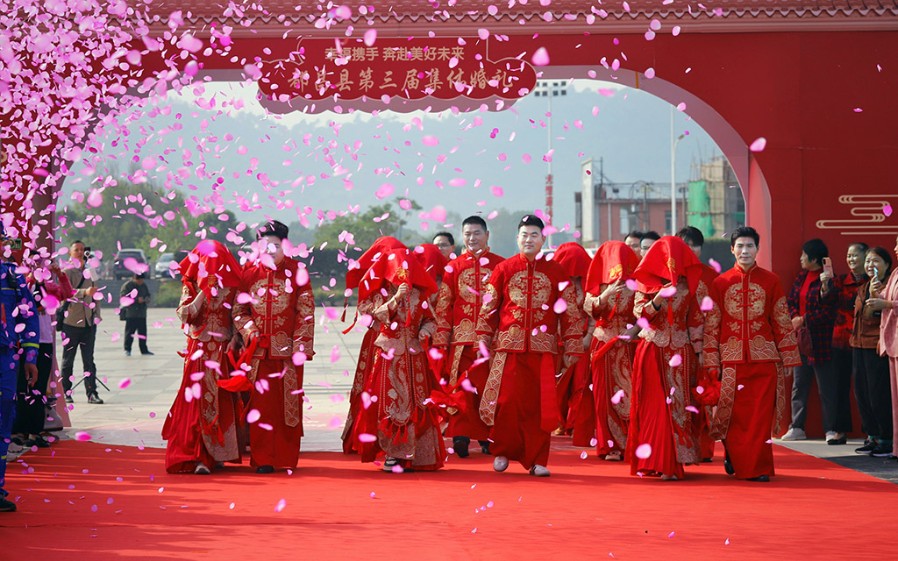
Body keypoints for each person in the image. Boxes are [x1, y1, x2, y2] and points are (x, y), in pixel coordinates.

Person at [476, 215, 585, 477]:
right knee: (507, 401)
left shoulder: (556, 272)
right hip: (508, 347)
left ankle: (537, 459)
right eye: (524, 235)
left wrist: (573, 346)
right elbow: (489, 308)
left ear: (543, 239)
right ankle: (503, 451)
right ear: (517, 238)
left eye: (534, 235)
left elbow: (569, 311)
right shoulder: (504, 269)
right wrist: (482, 338)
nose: (529, 239)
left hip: (542, 349)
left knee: (539, 405)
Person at [703, 227, 801, 481]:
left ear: (757, 249)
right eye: (740, 246)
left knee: (759, 418)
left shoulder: (771, 281)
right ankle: (735, 455)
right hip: (731, 361)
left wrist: (788, 355)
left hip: (765, 359)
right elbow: (712, 325)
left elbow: (781, 319)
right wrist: (712, 361)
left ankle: (757, 468)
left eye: (750, 246)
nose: (745, 251)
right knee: (734, 416)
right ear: (732, 249)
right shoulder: (720, 283)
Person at [351, 247, 445, 472]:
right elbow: (375, 316)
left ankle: (418, 454)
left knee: (418, 402)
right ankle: (392, 453)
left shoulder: (419, 294)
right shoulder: (381, 292)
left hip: (414, 356)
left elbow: (432, 320)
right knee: (389, 401)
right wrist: (396, 298)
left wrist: (425, 331)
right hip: (388, 355)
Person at [232, 220, 315, 473]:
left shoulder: (297, 271)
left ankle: (285, 457)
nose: (270, 251)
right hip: (258, 353)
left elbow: (305, 312)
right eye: (265, 246)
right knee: (260, 407)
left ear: (285, 246)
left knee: (286, 407)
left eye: (275, 246)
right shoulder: (249, 273)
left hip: (287, 353)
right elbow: (239, 310)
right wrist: (250, 331)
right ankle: (263, 459)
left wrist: (300, 346)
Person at [628, 235, 706, 481]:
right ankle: (657, 462)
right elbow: (640, 315)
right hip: (652, 349)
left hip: (681, 351)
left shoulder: (691, 284)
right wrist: (659, 297)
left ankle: (673, 462)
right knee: (655, 408)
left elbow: (695, 320)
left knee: (678, 405)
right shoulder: (645, 282)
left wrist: (700, 351)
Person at [163, 240, 242, 474]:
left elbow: (237, 315)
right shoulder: (191, 284)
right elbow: (184, 315)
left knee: (221, 402)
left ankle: (217, 454)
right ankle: (197, 455)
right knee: (196, 405)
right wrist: (202, 293)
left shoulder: (233, 285)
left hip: (222, 353)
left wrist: (237, 337)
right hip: (199, 353)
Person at [433, 215, 504, 458]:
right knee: (462, 388)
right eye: (467, 234)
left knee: (488, 388)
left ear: (486, 235)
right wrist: (441, 341)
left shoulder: (500, 265)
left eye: (477, 233)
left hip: (491, 341)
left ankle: (487, 436)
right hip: (461, 340)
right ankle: (461, 434)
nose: (472, 238)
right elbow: (444, 305)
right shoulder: (453, 267)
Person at [340, 236, 407, 455]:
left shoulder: (408, 282)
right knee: (371, 386)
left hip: (403, 343)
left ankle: (396, 438)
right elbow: (366, 310)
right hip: (376, 342)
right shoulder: (372, 282)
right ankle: (365, 436)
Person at [583, 240, 640, 461]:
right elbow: (589, 309)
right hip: (603, 344)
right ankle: (609, 445)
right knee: (603, 396)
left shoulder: (636, 284)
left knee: (630, 393)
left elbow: (643, 314)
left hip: (627, 345)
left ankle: (629, 442)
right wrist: (605, 294)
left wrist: (633, 331)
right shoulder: (597, 284)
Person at [782, 238, 840, 443]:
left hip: (821, 341)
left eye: (804, 255)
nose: (800, 258)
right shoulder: (801, 277)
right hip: (801, 340)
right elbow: (790, 301)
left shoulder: (829, 280)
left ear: (814, 259)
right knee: (799, 385)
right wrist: (795, 318)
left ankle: (831, 429)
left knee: (826, 388)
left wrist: (804, 319)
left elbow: (829, 311)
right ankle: (797, 426)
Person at [0, 229, 40, 512]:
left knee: (4, 418)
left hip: (6, 357)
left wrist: (30, 356)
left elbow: (29, 315)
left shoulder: (13, 277)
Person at [12, 261, 71, 450]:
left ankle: (35, 431)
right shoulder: (21, 284)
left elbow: (67, 294)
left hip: (44, 341)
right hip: (24, 342)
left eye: (40, 263)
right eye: (33, 263)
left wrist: (60, 274)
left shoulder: (49, 287)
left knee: (38, 388)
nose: (37, 266)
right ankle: (19, 431)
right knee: (22, 387)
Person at [676, 226, 719, 462]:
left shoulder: (711, 276)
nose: (691, 249)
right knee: (681, 398)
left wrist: (707, 347)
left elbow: (716, 314)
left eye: (695, 245)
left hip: (706, 345)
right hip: (677, 346)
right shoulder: (671, 276)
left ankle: (704, 449)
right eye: (685, 245)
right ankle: (681, 447)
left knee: (705, 396)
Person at [851, 247, 894, 457]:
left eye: (876, 261)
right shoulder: (864, 286)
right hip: (858, 344)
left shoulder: (888, 287)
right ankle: (872, 435)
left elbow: (874, 315)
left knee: (879, 394)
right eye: (868, 261)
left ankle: (886, 439)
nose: (870, 265)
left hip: (876, 345)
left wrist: (878, 295)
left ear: (887, 265)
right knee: (862, 393)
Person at [550, 242, 593, 446]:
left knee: (580, 384)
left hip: (583, 341)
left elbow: (594, 315)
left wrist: (588, 337)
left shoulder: (589, 284)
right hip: (559, 341)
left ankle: (575, 422)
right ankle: (558, 420)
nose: (574, 275)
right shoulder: (555, 284)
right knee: (557, 384)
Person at [826, 243, 867, 444]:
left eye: (855, 255)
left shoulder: (873, 281)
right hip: (841, 340)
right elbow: (826, 302)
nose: (851, 259)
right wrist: (825, 285)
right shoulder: (840, 281)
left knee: (866, 388)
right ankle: (839, 430)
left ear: (866, 257)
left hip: (865, 340)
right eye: (849, 256)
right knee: (839, 387)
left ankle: (872, 432)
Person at [60, 240, 103, 404]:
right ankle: (66, 392)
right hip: (71, 322)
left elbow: (96, 294)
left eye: (82, 250)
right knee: (68, 360)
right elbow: (66, 292)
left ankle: (92, 393)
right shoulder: (66, 272)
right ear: (70, 253)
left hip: (88, 322)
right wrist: (84, 292)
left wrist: (97, 314)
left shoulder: (91, 271)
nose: (79, 252)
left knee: (89, 360)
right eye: (76, 250)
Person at [120, 272, 153, 356]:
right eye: (139, 280)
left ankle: (144, 350)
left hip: (141, 313)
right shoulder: (128, 286)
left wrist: (147, 299)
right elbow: (123, 298)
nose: (140, 282)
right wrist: (136, 300)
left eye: (142, 280)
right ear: (134, 279)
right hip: (131, 313)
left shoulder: (143, 285)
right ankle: (127, 349)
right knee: (129, 333)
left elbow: (148, 294)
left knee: (142, 333)